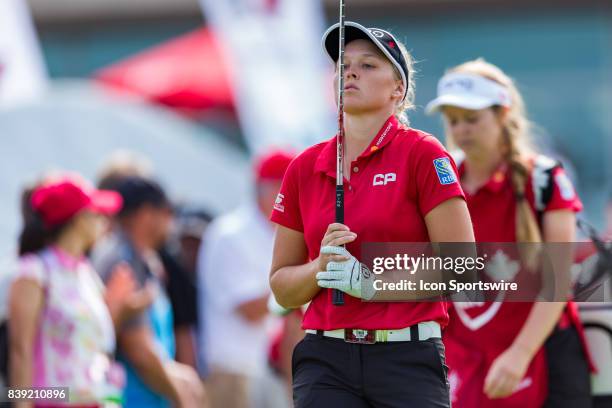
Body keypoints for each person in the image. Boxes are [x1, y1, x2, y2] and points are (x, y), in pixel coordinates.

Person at [269, 21, 474, 407]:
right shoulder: (303, 167)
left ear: (398, 89)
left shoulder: (423, 154)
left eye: (368, 65)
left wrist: (371, 283)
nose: (350, 72)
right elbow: (281, 284)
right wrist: (319, 269)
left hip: (407, 359)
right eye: (343, 65)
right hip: (324, 361)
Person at [426, 58, 593, 408]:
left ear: (503, 114)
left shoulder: (544, 179)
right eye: (453, 121)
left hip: (542, 355)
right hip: (464, 360)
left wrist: (519, 354)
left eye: (473, 119)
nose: (462, 130)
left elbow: (557, 279)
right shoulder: (438, 180)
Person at [8, 176, 149, 406]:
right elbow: (20, 351)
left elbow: (89, 343)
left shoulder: (87, 275)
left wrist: (118, 307)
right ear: (78, 220)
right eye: (97, 214)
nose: (105, 221)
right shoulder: (34, 271)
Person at [92, 176, 205, 408]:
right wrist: (182, 396)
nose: (171, 223)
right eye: (167, 213)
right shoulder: (123, 261)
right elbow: (138, 349)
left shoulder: (143, 260)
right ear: (146, 214)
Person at [198, 150, 295, 408]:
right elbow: (249, 310)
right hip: (229, 369)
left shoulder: (270, 233)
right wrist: (300, 287)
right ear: (270, 189)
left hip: (259, 368)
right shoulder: (232, 234)